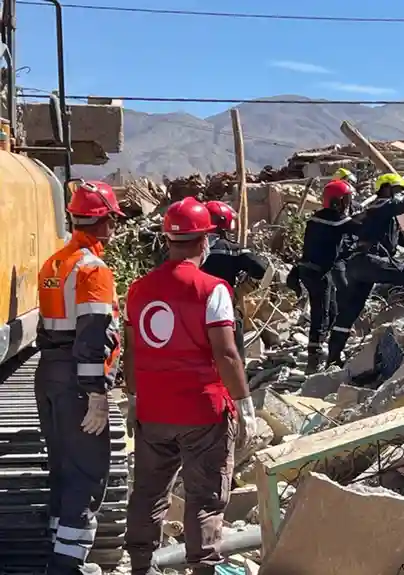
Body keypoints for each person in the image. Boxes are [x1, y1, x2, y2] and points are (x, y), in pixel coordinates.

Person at [123, 197, 257, 575]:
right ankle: (203, 568)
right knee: (205, 498)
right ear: (204, 241)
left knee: (149, 493)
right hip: (203, 412)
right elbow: (226, 354)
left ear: (168, 240)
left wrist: (133, 398)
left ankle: (140, 566)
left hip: (154, 410)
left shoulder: (138, 289)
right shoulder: (212, 289)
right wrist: (245, 405)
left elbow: (131, 352)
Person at [35, 180, 124, 575]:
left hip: (49, 373)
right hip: (76, 379)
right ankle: (67, 565)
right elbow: (92, 334)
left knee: (63, 468)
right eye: (113, 220)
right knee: (87, 473)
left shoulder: (54, 263)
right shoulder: (93, 269)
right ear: (103, 222)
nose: (115, 228)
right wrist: (97, 394)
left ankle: (58, 553)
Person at [327, 173, 404, 367]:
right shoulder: (379, 206)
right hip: (366, 260)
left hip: (361, 266)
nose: (399, 194)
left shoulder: (387, 217)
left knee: (349, 311)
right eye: (397, 190)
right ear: (386, 189)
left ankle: (333, 359)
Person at [287, 179, 359, 373]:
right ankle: (314, 358)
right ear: (337, 201)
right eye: (346, 200)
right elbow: (358, 228)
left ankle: (327, 349)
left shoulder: (316, 218)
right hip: (318, 273)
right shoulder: (335, 220)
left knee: (332, 311)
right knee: (321, 314)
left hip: (308, 270)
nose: (348, 204)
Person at [201, 200, 267, 361]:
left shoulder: (191, 248)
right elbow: (260, 269)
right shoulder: (232, 249)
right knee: (234, 351)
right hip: (223, 308)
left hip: (193, 310)